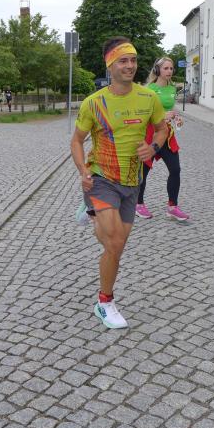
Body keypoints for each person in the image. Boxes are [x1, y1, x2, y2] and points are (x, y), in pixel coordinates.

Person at [71, 37, 168, 329]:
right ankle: (105, 302)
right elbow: (77, 141)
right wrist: (82, 171)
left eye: (133, 60)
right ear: (110, 65)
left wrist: (153, 147)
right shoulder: (94, 103)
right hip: (102, 178)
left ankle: (91, 212)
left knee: (118, 243)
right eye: (123, 61)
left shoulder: (148, 98)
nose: (130, 66)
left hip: (132, 181)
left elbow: (162, 129)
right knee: (113, 243)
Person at [135, 56, 190, 221]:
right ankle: (138, 204)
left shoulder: (172, 89)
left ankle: (172, 207)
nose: (169, 71)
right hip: (151, 135)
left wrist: (176, 117)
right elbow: (142, 114)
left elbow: (169, 109)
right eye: (166, 68)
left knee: (175, 170)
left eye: (171, 68)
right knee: (143, 171)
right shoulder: (148, 89)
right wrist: (161, 116)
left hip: (167, 134)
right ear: (157, 70)